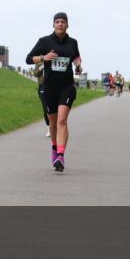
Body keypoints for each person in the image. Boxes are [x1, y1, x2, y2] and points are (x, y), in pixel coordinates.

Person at [26, 13, 82, 172]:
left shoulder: (73, 42)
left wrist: (78, 65)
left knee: (62, 120)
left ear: (67, 25)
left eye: (63, 22)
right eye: (57, 22)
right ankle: (54, 148)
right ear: (53, 25)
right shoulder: (44, 41)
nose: (60, 24)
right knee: (53, 122)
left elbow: (76, 57)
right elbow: (28, 59)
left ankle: (61, 155)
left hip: (67, 86)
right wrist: (44, 57)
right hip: (49, 86)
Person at [35, 62, 51, 137]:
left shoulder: (53, 61)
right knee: (45, 108)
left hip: (52, 86)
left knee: (53, 108)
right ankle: (49, 129)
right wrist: (41, 68)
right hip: (42, 86)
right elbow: (35, 74)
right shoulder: (39, 62)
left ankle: (55, 127)